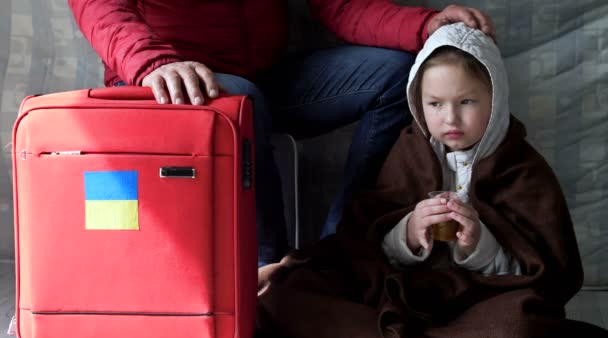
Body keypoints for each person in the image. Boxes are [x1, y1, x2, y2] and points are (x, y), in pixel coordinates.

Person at [68, 0, 496, 267]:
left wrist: (426, 26)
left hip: (262, 79)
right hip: (168, 80)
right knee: (242, 102)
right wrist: (151, 62)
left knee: (396, 75)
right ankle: (265, 271)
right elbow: (98, 5)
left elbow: (339, 5)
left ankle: (342, 247)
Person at [256, 22, 608, 338]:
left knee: (521, 327)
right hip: (403, 293)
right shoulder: (410, 150)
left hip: (481, 305)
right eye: (435, 104)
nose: (450, 118)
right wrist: (408, 233)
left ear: (496, 99)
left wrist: (478, 245)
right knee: (287, 299)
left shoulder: (521, 167)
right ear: (418, 102)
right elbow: (363, 242)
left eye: (467, 101)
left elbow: (544, 274)